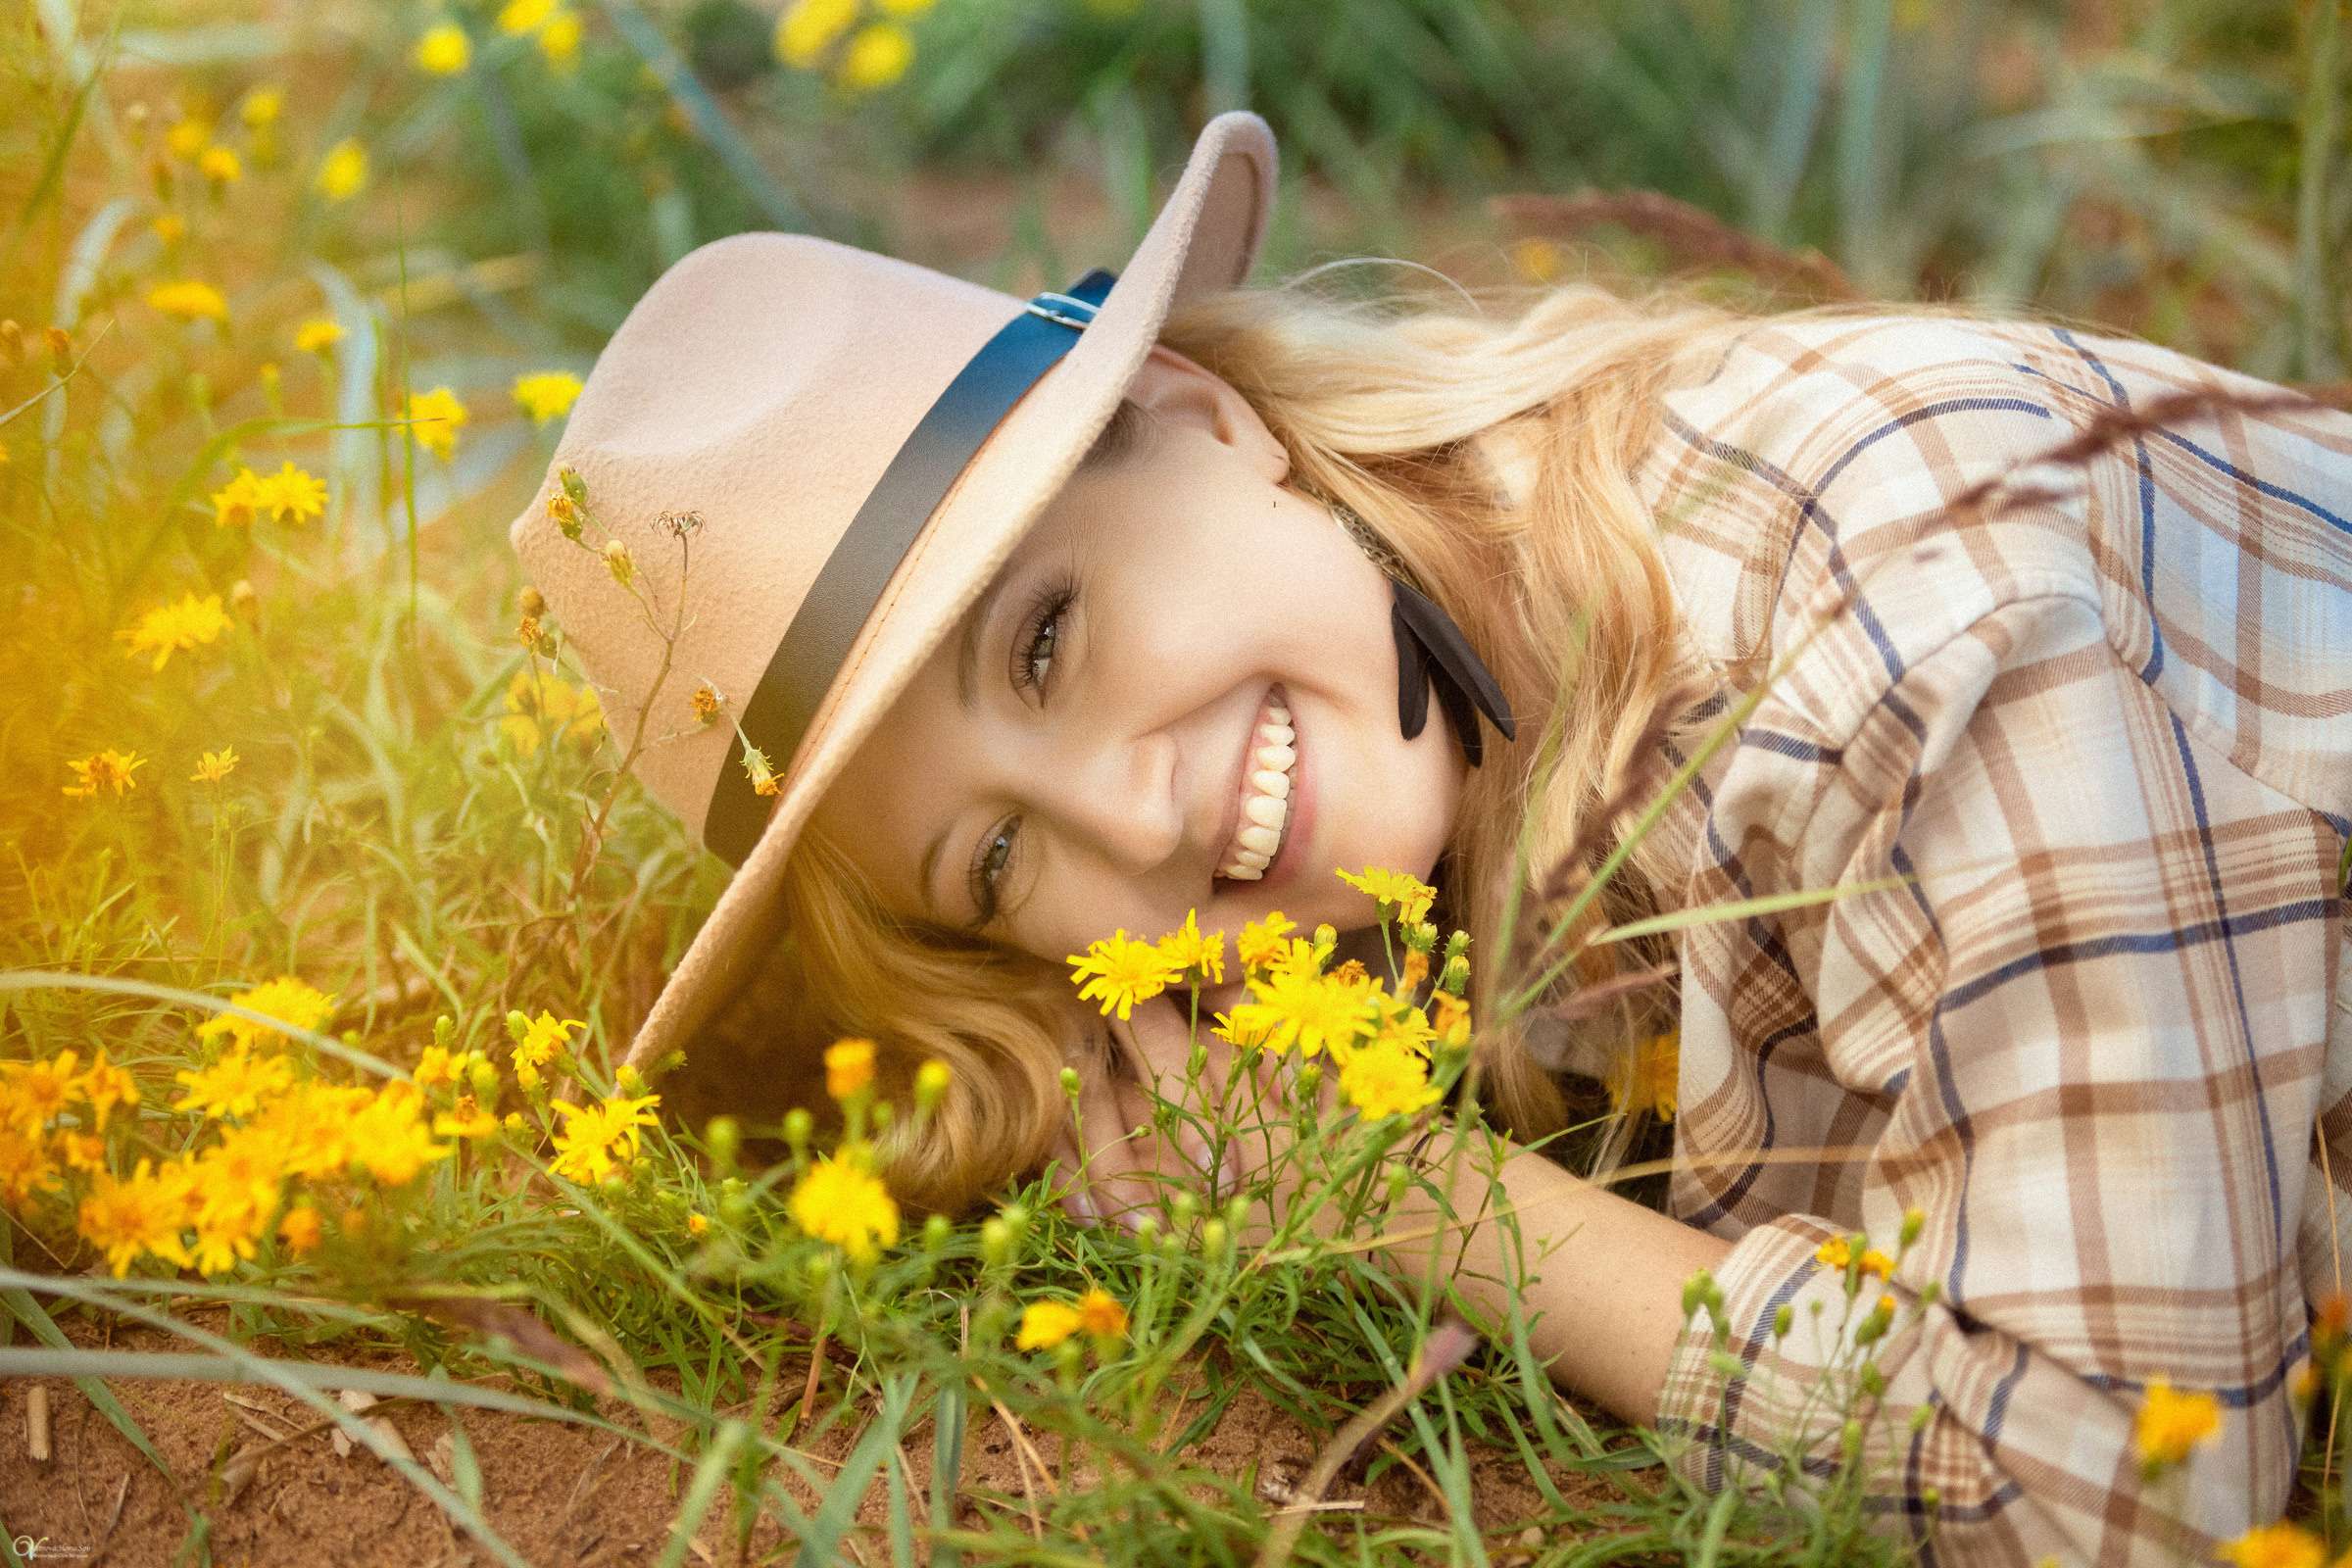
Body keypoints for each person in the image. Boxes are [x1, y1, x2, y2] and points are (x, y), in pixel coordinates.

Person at [511, 114, 2350, 1564]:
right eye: (997, 863)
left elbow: (2117, 1506)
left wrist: (1397, 1194)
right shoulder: (1441, 835)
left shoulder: (1912, 612)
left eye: (1045, 641)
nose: (1136, 827)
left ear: (1204, 418)